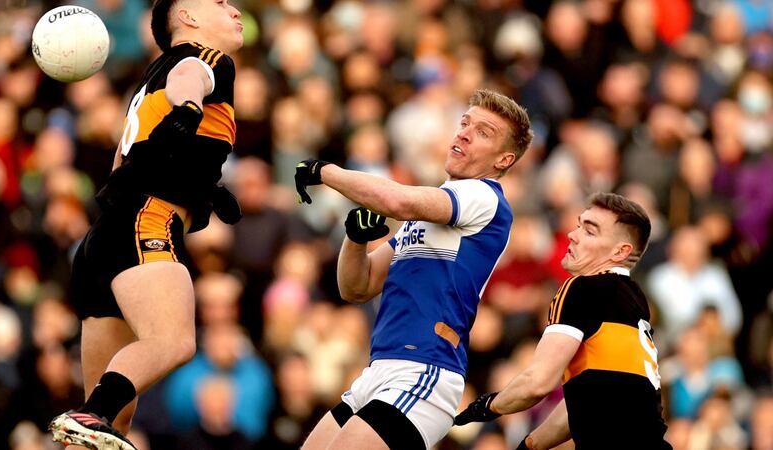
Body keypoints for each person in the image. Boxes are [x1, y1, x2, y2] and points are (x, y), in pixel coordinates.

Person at [48, 0, 244, 448]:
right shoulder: (205, 57)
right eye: (219, 2)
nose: (233, 9)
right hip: (146, 222)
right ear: (189, 18)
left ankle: (93, 414)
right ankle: (91, 412)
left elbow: (125, 161)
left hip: (107, 237)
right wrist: (190, 105)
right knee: (173, 341)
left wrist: (203, 189)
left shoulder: (149, 78)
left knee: (101, 435)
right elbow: (190, 77)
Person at [295, 88, 534, 450]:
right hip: (378, 371)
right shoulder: (435, 209)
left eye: (483, 132)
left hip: (424, 370)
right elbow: (357, 288)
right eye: (465, 123)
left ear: (504, 159)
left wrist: (324, 170)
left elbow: (396, 200)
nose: (464, 133)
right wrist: (355, 240)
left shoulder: (483, 196)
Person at [454, 193, 672, 450]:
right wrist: (530, 444)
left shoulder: (581, 287)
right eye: (579, 224)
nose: (573, 234)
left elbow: (537, 382)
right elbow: (586, 402)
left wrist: (486, 407)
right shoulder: (634, 300)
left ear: (620, 251)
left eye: (590, 231)